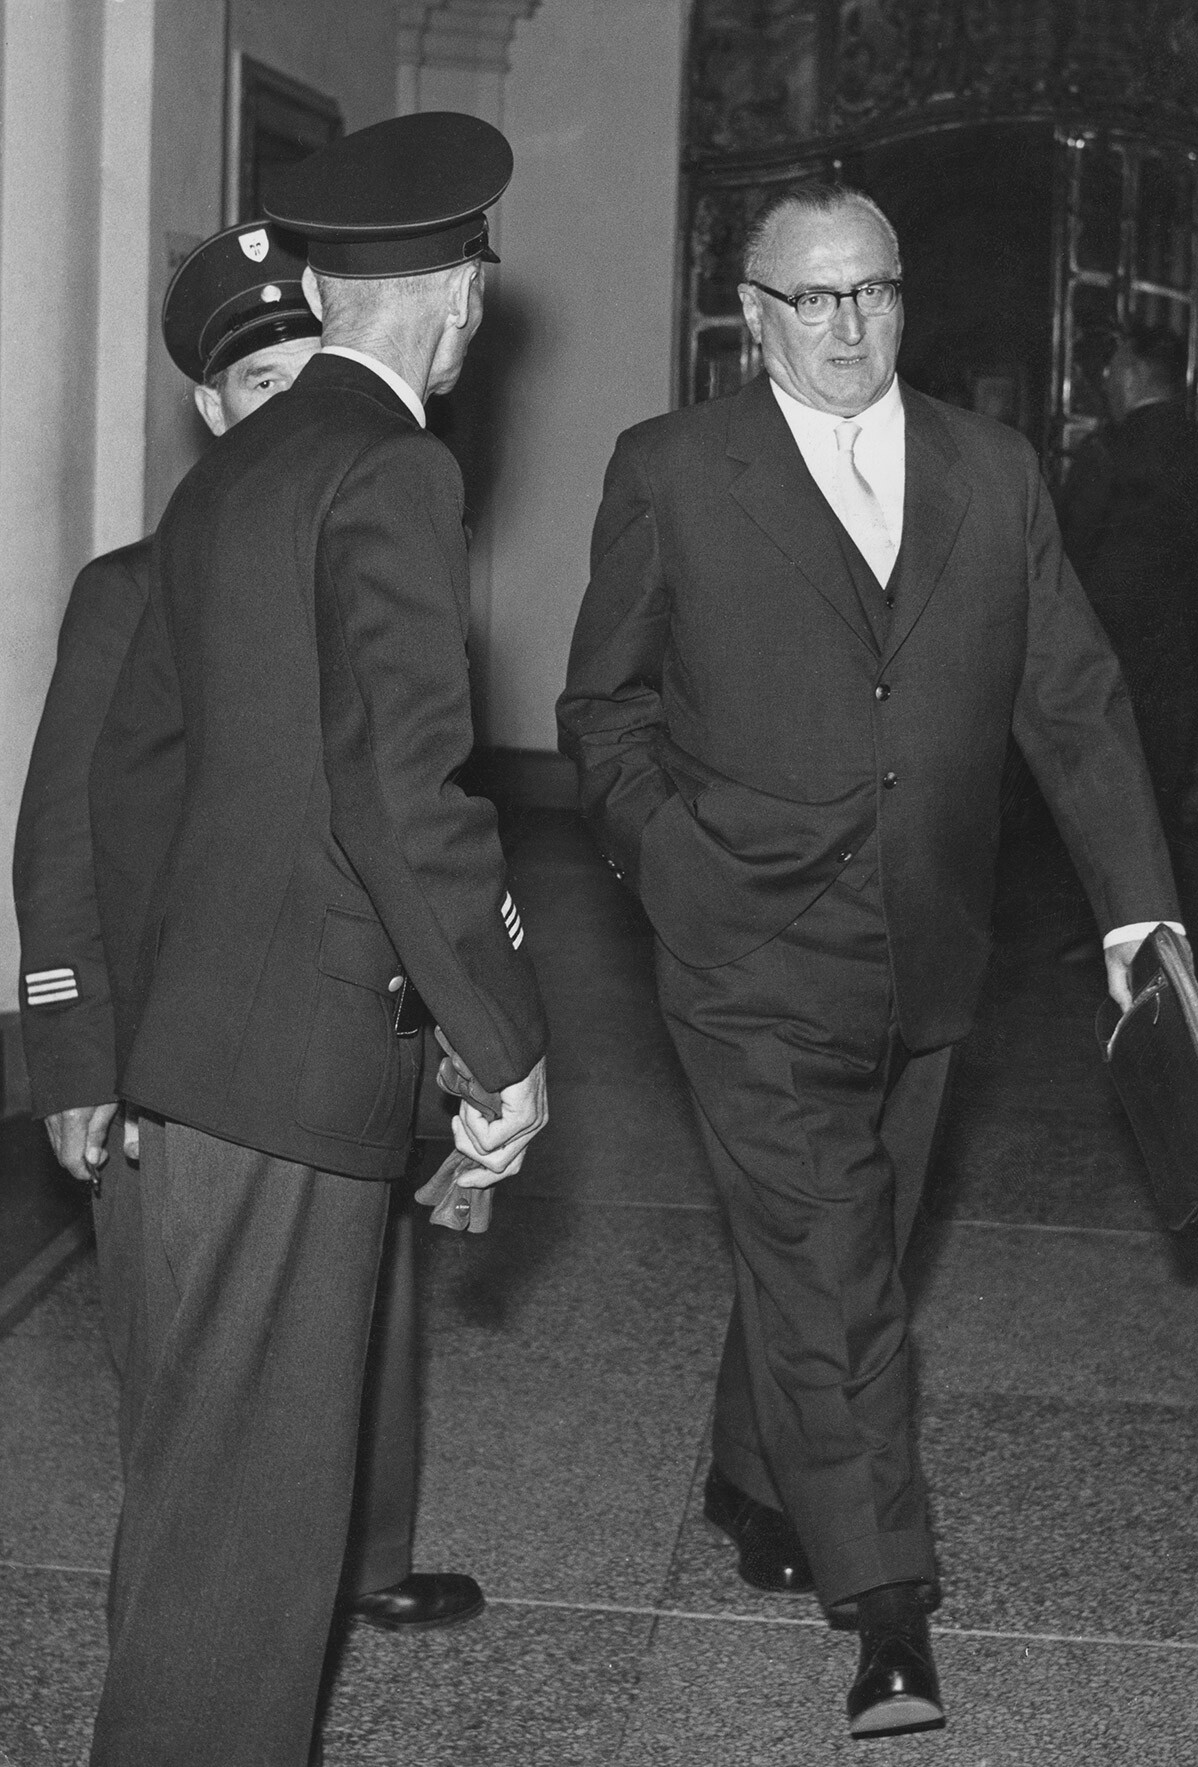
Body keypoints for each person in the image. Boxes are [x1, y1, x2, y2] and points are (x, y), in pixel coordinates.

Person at [557, 181, 1186, 1738]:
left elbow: (1076, 696)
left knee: (844, 1243)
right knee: (839, 1267)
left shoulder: (993, 470)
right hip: (745, 948)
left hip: (933, 945)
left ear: (904, 299)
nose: (847, 327)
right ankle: (888, 1599)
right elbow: (602, 706)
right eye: (812, 299)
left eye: (873, 293)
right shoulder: (675, 471)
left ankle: (749, 1468)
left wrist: (1138, 910)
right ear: (752, 316)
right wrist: (673, 864)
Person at [83, 113, 548, 1767]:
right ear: (466, 293)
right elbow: (406, 792)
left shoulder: (235, 477)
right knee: (255, 1557)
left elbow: (131, 790)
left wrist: (124, 1046)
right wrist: (505, 1041)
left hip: (196, 1065)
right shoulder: (393, 469)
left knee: (196, 1519)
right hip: (293, 1079)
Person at [13, 219, 484, 1645]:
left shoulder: (362, 534)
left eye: (315, 373)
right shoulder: (133, 587)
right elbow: (65, 841)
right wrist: (75, 1050)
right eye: (269, 390)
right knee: (218, 1375)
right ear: (212, 411)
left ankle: (364, 1552)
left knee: (367, 1303)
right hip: (198, 1041)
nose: (303, 414)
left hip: (346, 1010)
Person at [1059, 323, 1198, 820]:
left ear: (1135, 373)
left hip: (1103, 653)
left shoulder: (1105, 454)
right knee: (1161, 805)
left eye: (1116, 366)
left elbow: (1069, 554)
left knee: (1100, 807)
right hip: (1180, 660)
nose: (1108, 378)